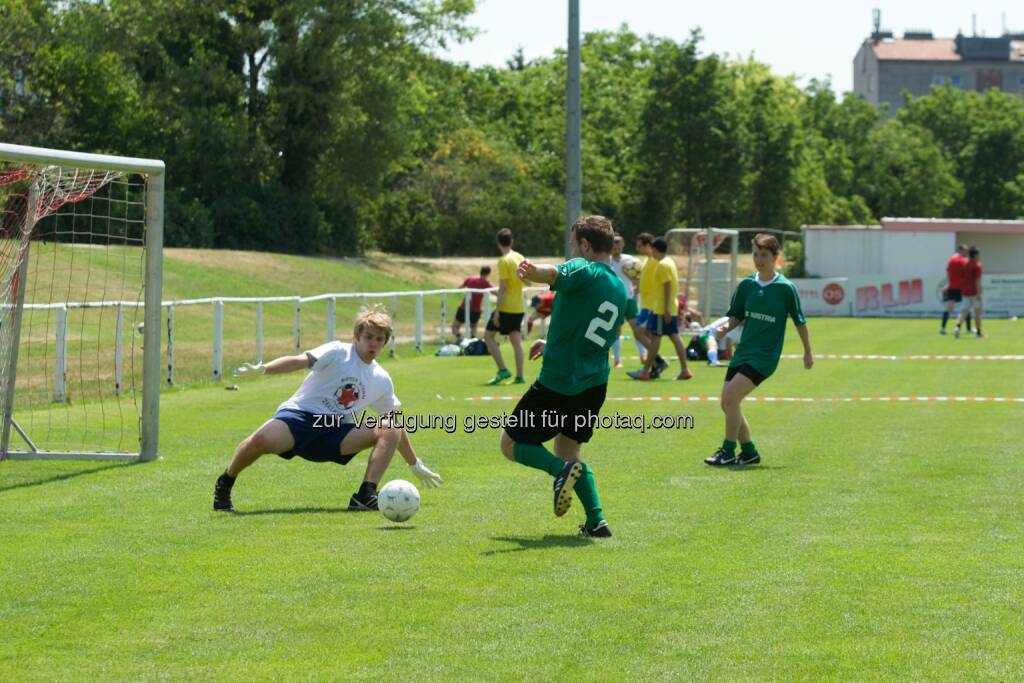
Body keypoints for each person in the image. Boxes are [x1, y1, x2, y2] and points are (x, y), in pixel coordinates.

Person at [212, 306, 443, 512]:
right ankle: (226, 481)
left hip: (334, 432)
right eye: (368, 337)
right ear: (356, 337)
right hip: (299, 418)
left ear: (385, 342)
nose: (373, 343)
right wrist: (264, 369)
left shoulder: (381, 379)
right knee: (259, 441)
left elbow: (395, 425)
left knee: (390, 425)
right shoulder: (337, 352)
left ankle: (365, 494)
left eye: (379, 339)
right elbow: (299, 360)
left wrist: (414, 463)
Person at [500, 215, 628, 538]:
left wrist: (531, 271)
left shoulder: (583, 268)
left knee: (511, 443)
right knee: (568, 449)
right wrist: (552, 342)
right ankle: (597, 520)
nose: (573, 250)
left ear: (585, 245)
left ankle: (560, 472)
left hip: (560, 382)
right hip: (594, 383)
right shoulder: (617, 286)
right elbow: (594, 327)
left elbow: (555, 273)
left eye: (575, 245)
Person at [705, 234, 813, 467]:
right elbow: (737, 315)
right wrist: (726, 327)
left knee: (731, 397)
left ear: (776, 257)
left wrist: (807, 352)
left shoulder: (786, 288)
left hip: (765, 356)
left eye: (764, 255)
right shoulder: (747, 285)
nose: (759, 259)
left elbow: (800, 321)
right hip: (743, 351)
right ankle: (749, 451)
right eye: (755, 254)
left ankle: (727, 451)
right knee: (727, 403)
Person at [628, 236, 691, 380]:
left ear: (655, 249)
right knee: (673, 337)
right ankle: (684, 369)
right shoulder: (667, 262)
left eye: (652, 249)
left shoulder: (662, 264)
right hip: (663, 308)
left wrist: (666, 309)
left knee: (657, 339)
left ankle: (645, 371)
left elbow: (667, 285)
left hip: (662, 309)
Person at [484, 228, 526, 385]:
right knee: (516, 340)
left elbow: (503, 288)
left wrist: (497, 312)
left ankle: (502, 370)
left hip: (506, 307)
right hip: (519, 306)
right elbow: (526, 280)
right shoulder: (519, 256)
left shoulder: (504, 261)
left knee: (488, 336)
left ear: (497, 243)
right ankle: (520, 376)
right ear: (512, 241)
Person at [632, 232, 668, 375]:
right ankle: (655, 365)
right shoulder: (649, 260)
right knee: (648, 335)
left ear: (648, 246)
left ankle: (658, 361)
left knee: (638, 332)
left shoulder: (655, 260)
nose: (637, 248)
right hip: (646, 303)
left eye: (640, 245)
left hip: (651, 304)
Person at [608, 234, 637, 367]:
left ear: (622, 246)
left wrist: (637, 285)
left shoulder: (629, 260)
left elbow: (637, 276)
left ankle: (643, 354)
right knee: (616, 330)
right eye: (614, 248)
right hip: (614, 299)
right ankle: (617, 360)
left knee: (636, 327)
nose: (616, 250)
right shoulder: (607, 261)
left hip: (629, 298)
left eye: (619, 247)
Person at [453, 265, 492, 341]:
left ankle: (460, 338)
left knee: (455, 327)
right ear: (488, 273)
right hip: (476, 310)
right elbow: (495, 292)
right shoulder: (486, 283)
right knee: (473, 327)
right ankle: (472, 340)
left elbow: (459, 288)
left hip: (464, 307)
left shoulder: (470, 279)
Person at [954, 246, 983, 338]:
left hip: (965, 292)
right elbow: (977, 281)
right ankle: (978, 333)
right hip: (974, 292)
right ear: (975, 255)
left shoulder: (964, 264)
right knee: (977, 312)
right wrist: (979, 293)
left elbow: (962, 278)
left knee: (964, 311)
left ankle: (957, 327)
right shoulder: (977, 265)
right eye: (978, 255)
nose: (979, 256)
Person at [940, 245, 969, 335]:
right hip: (961, 287)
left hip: (952, 287)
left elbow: (948, 271)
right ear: (960, 250)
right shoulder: (963, 260)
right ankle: (968, 329)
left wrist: (949, 284)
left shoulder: (951, 259)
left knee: (949, 308)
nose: (966, 253)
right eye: (965, 251)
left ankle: (942, 328)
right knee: (966, 307)